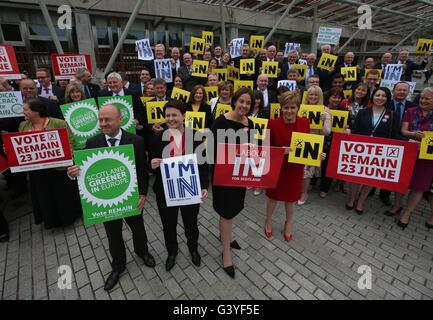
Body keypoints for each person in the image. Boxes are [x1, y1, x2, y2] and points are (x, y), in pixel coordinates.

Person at [67, 104, 156, 291]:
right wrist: (73, 172)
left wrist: (143, 193)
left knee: (138, 229)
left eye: (107, 119)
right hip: (107, 202)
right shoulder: (92, 143)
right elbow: (84, 171)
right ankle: (118, 266)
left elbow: (141, 171)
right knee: (113, 235)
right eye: (100, 120)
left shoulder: (136, 141)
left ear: (120, 119)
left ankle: (142, 252)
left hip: (131, 198)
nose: (103, 123)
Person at [150, 101, 209, 271]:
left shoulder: (196, 136)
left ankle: (193, 248)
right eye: (167, 115)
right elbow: (151, 162)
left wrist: (204, 186)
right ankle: (172, 252)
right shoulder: (157, 138)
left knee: (191, 223)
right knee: (168, 225)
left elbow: (203, 164)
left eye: (174, 115)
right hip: (166, 192)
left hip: (189, 189)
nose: (170, 118)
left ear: (183, 116)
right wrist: (151, 164)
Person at [264, 91, 324, 241]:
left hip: (295, 168)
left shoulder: (305, 123)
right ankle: (268, 220)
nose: (289, 111)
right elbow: (265, 149)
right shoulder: (272, 124)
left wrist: (318, 154)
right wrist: (280, 151)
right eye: (286, 107)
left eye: (292, 107)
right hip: (277, 166)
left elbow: (307, 145)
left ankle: (289, 222)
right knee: (273, 197)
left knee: (291, 199)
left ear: (298, 108)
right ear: (281, 108)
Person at [211, 87, 255, 278]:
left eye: (248, 103)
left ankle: (225, 236)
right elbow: (211, 151)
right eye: (241, 101)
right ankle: (226, 252)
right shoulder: (221, 122)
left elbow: (252, 150)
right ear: (234, 101)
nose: (244, 106)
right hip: (223, 176)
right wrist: (237, 147)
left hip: (239, 175)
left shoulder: (250, 122)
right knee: (226, 213)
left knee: (233, 209)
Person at [19, 99, 82, 229]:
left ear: (36, 111)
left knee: (62, 194)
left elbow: (71, 143)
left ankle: (69, 217)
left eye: (26, 109)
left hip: (58, 169)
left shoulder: (58, 123)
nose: (23, 112)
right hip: (37, 171)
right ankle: (51, 220)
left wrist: (62, 155)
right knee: (45, 196)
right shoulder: (23, 125)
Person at [346, 87, 400, 214]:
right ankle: (352, 199)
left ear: (387, 98)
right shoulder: (363, 112)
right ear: (373, 97)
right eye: (377, 95)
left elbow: (394, 135)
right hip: (361, 151)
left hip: (379, 153)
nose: (380, 98)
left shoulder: (392, 114)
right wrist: (348, 132)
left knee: (370, 179)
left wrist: (409, 141)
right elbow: (355, 130)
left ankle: (361, 202)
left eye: (383, 96)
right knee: (356, 178)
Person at [396, 87, 433, 229]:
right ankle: (397, 206)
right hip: (410, 152)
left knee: (419, 186)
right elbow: (403, 130)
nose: (423, 100)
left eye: (427, 98)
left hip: (427, 158)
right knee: (402, 180)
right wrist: (413, 134)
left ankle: (407, 212)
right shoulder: (411, 111)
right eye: (422, 98)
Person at [298, 85, 331, 205]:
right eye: (311, 94)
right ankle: (298, 190)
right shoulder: (301, 108)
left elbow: (327, 132)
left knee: (307, 171)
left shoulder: (325, 110)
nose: (313, 97)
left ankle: (304, 193)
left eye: (316, 95)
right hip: (301, 140)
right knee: (299, 169)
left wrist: (322, 122)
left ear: (320, 96)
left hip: (314, 143)